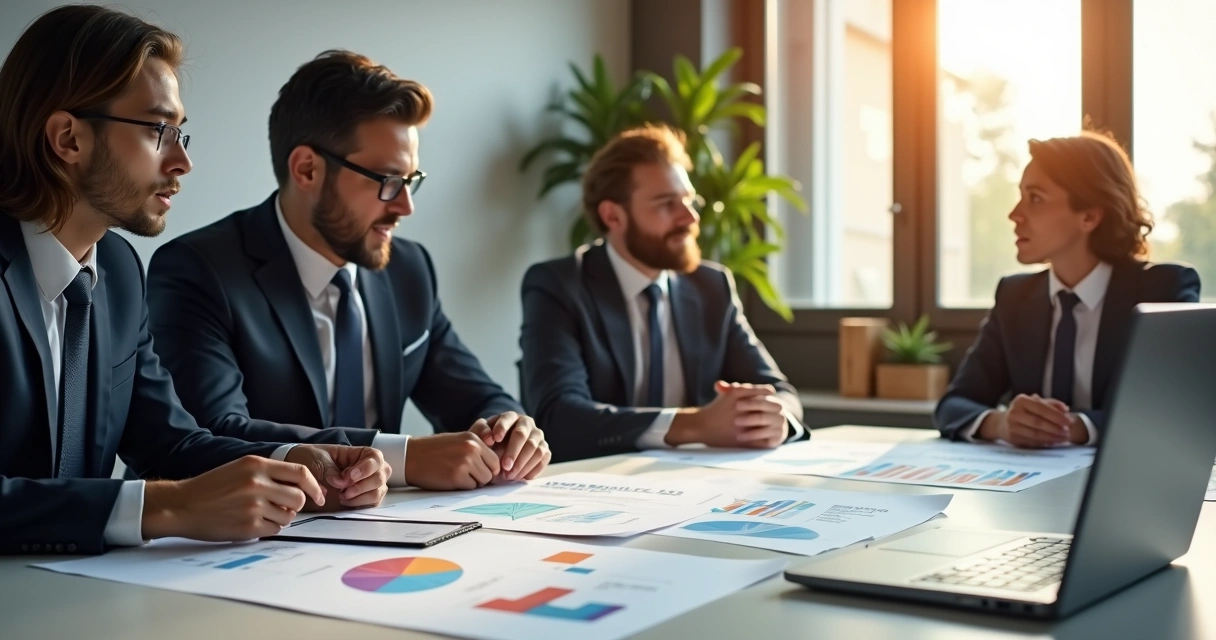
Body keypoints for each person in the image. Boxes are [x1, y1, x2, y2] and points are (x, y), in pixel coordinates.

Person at [0, 6, 391, 555]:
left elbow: (170, 441)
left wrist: (290, 463)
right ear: (68, 138)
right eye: (160, 130)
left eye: (182, 134)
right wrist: (169, 506)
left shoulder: (116, 269)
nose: (182, 160)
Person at [146, 50, 551, 491]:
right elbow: (212, 434)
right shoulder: (199, 270)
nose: (405, 206)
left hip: (378, 537)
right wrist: (404, 458)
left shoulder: (409, 269)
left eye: (411, 181)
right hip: (237, 542)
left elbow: (475, 395)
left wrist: (510, 430)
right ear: (307, 169)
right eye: (387, 181)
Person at [520, 125, 807, 462]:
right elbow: (559, 417)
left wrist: (775, 420)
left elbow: (781, 392)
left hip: (695, 485)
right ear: (613, 215)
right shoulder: (559, 285)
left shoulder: (712, 287)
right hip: (592, 485)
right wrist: (695, 425)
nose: (691, 217)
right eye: (667, 204)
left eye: (689, 200)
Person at [935, 131, 1201, 447]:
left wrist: (1078, 427)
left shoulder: (1163, 290)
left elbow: (1176, 408)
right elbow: (954, 405)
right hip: (1029, 486)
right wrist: (1002, 423)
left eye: (1035, 198)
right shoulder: (1014, 297)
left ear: (1089, 216)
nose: (1014, 215)